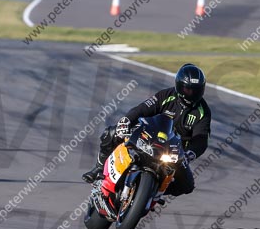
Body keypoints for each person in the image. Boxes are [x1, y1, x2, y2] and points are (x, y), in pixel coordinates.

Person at [81, 64, 211, 203]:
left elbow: (201, 139)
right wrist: (126, 121)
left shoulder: (203, 112)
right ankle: (99, 168)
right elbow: (142, 109)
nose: (192, 94)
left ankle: (153, 193)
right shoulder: (166, 95)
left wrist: (189, 154)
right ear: (179, 86)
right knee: (111, 133)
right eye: (188, 89)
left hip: (174, 152)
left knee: (187, 185)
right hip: (149, 137)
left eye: (196, 90)